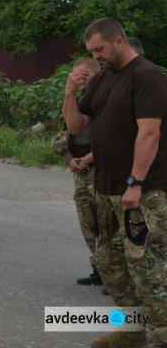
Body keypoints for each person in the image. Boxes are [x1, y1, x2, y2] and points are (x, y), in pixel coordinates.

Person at [64, 18, 167, 348]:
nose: (96, 56)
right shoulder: (102, 79)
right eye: (91, 51)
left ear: (119, 42)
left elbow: (149, 134)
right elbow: (77, 126)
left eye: (100, 49)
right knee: (112, 264)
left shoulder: (147, 76)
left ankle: (162, 334)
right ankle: (133, 328)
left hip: (143, 190)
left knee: (147, 266)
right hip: (105, 189)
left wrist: (135, 182)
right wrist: (70, 92)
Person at [53, 58, 101, 286]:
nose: (76, 80)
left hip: (101, 172)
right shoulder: (79, 102)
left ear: (93, 73)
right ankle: (99, 271)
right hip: (81, 172)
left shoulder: (105, 101)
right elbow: (65, 136)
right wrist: (71, 160)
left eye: (80, 75)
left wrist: (85, 159)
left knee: (107, 226)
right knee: (88, 224)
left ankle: (115, 274)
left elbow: (111, 141)